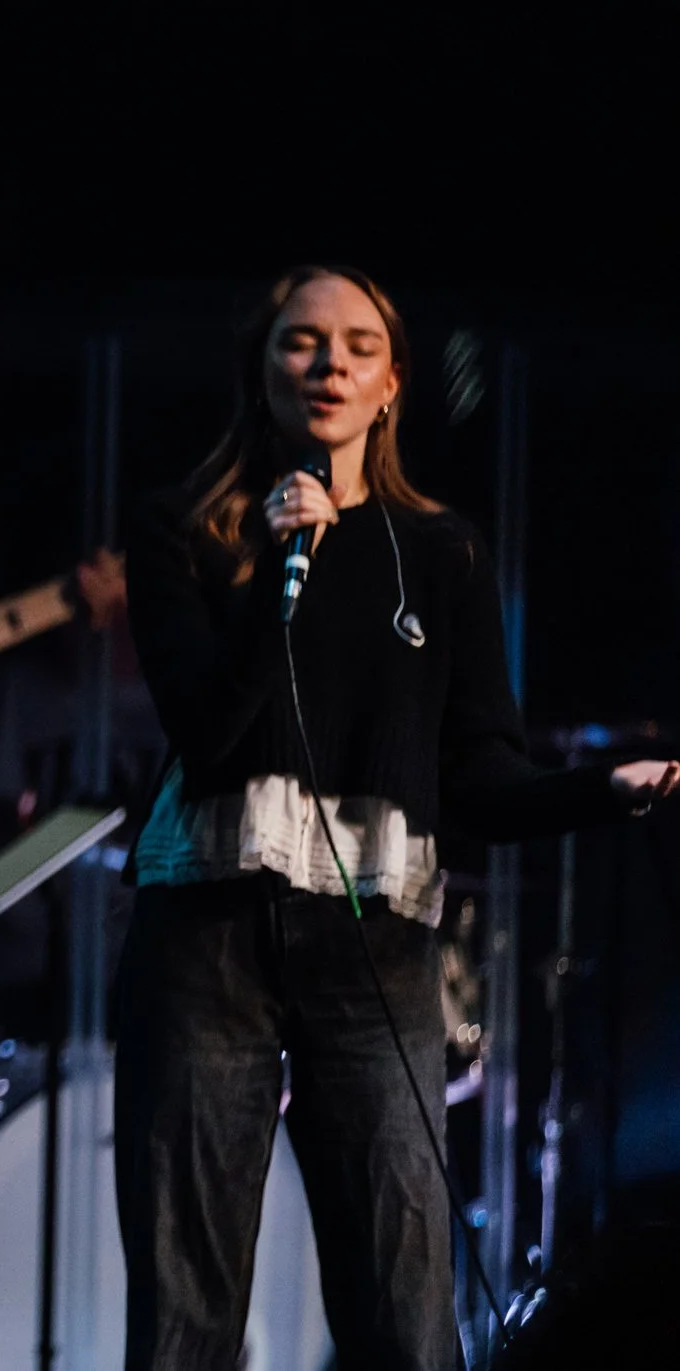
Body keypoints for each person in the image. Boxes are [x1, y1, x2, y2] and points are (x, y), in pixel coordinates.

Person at [117, 265, 680, 1370]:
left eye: (358, 346)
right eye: (300, 341)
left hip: (370, 941)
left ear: (391, 386)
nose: (328, 363)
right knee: (187, 1309)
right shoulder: (186, 528)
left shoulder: (442, 551)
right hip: (205, 934)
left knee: (405, 1304)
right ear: (259, 368)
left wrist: (599, 788)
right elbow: (210, 732)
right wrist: (281, 570)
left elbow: (478, 777)